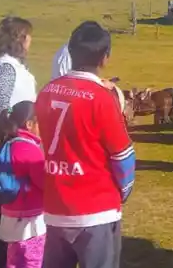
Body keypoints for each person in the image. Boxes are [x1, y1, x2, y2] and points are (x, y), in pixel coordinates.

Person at [36, 21, 136, 268]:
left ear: (69, 53)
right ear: (105, 58)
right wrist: (123, 192)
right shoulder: (101, 98)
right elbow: (123, 155)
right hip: (96, 211)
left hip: (55, 208)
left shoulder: (47, 91)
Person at [0, 17, 37, 268]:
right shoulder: (5, 68)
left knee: (5, 233)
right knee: (8, 236)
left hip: (6, 155)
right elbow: (2, 111)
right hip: (10, 159)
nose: (30, 42)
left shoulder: (0, 66)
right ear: (19, 38)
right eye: (28, 36)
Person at [0, 100, 45, 268]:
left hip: (9, 216)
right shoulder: (30, 150)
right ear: (30, 124)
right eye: (41, 122)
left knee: (14, 261)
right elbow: (45, 183)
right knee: (33, 260)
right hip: (29, 221)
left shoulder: (8, 144)